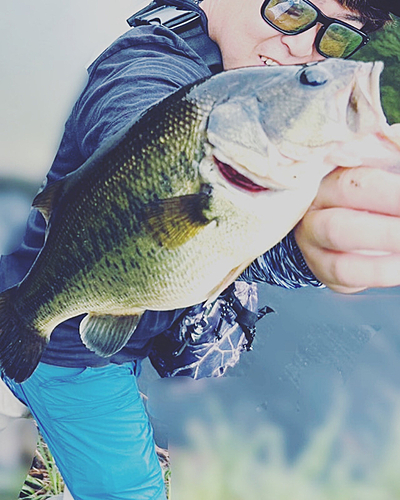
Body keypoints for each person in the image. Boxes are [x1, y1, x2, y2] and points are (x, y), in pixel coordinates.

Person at [1, 0, 400, 498]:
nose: (304, 47)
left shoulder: (239, 72)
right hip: (70, 355)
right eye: (292, 9)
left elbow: (236, 241)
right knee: (129, 489)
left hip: (122, 321)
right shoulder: (144, 62)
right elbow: (135, 109)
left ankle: (17, 391)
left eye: (337, 37)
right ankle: (21, 374)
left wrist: (308, 240)